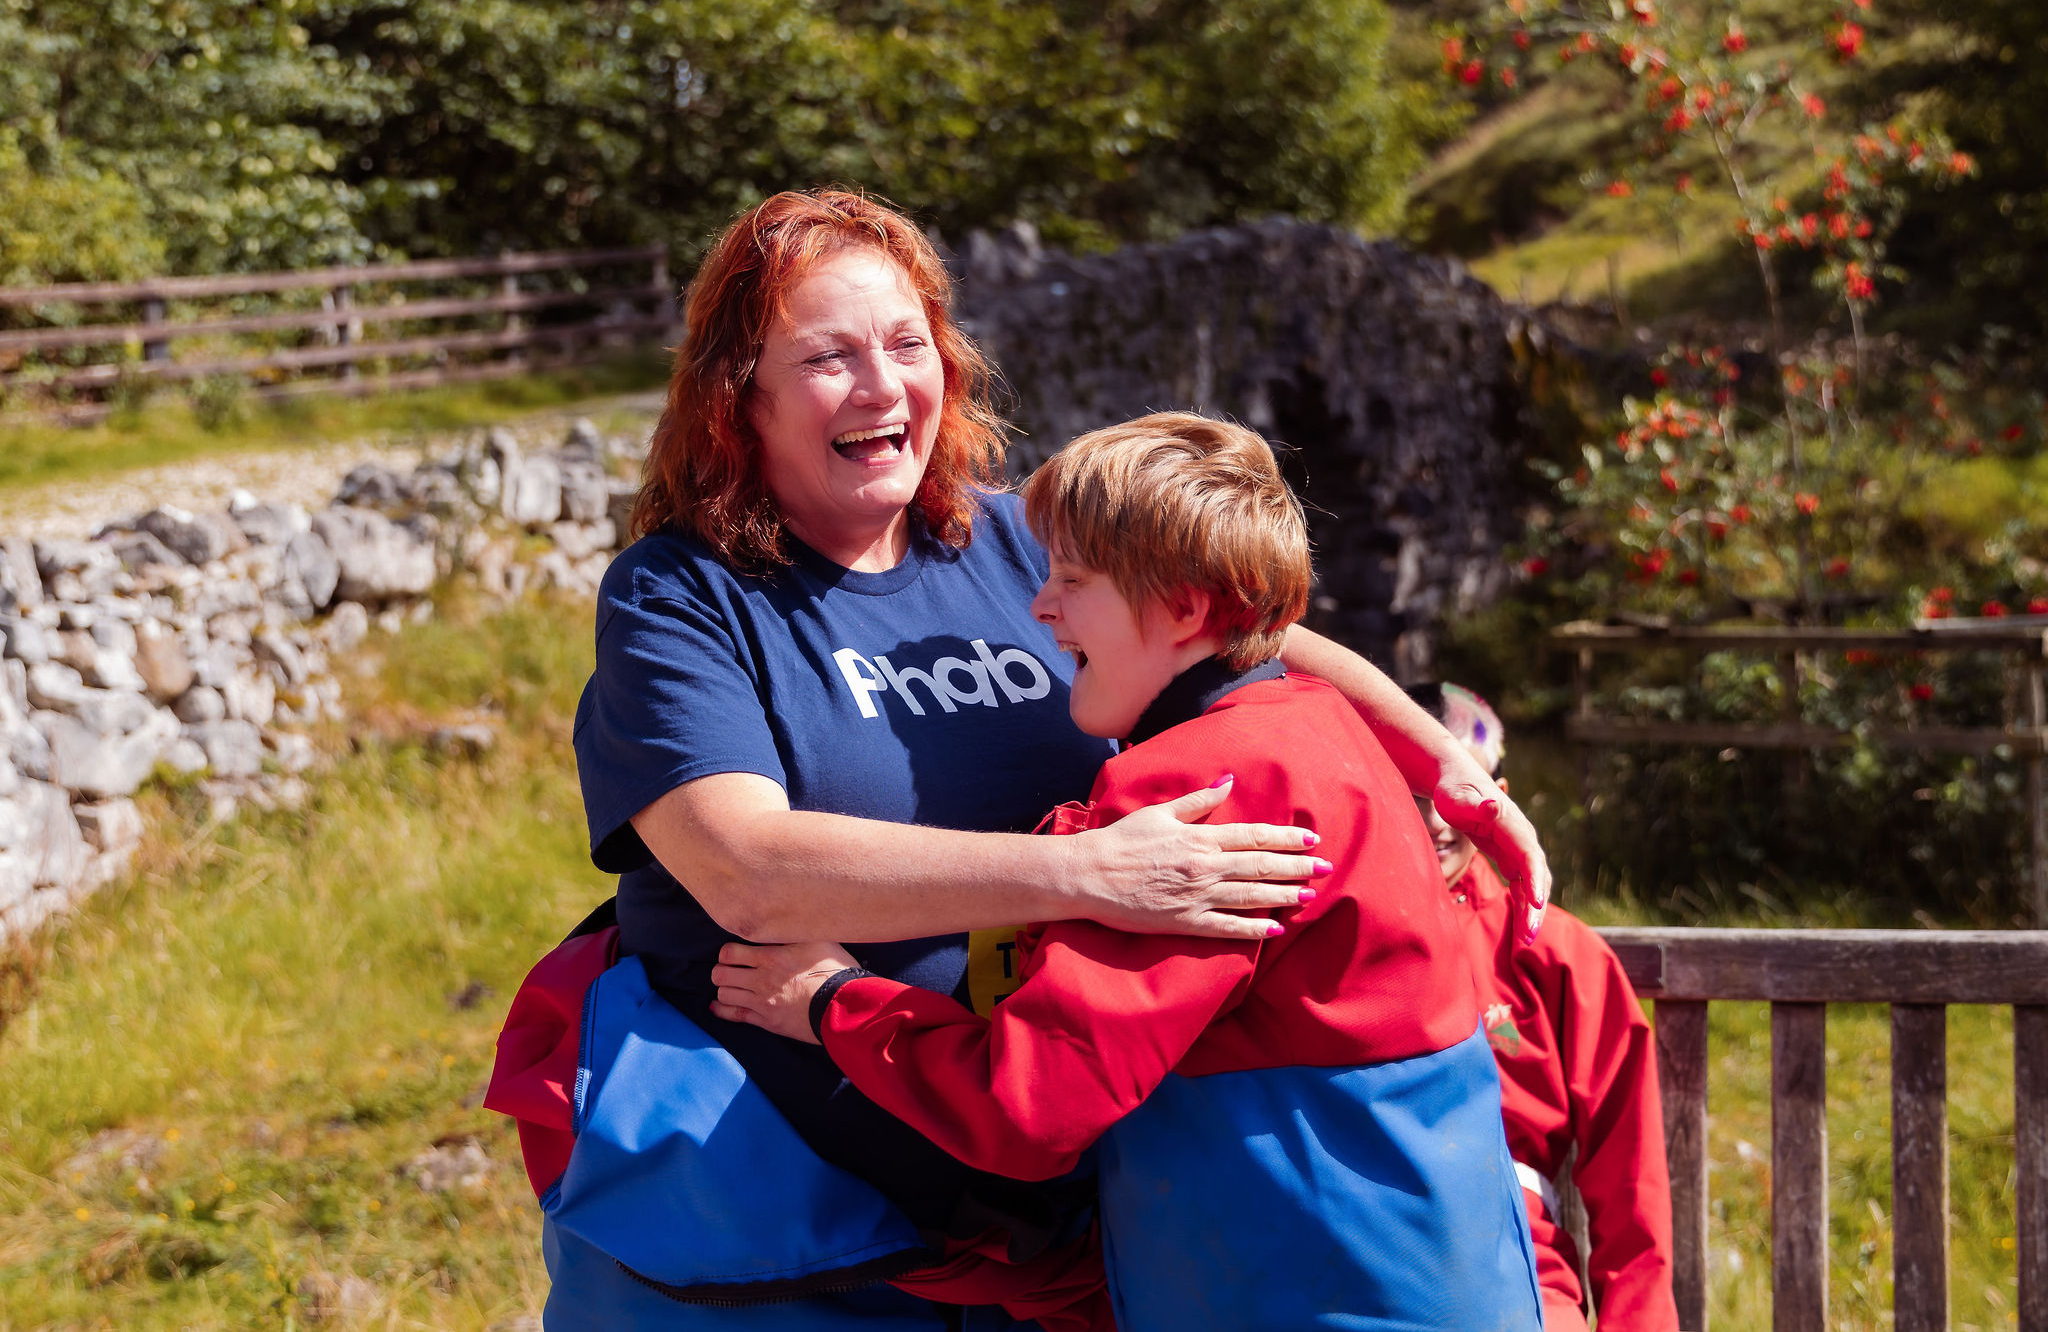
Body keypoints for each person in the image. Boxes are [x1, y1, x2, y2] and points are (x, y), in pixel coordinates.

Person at [486, 190, 1553, 1331]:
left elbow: (1238, 622)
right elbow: (744, 871)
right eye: (827, 357)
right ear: (734, 392)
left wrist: (1449, 769)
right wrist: (1083, 874)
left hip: (1049, 1222)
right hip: (773, 1233)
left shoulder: (1010, 537)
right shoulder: (681, 596)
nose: (882, 385)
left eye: (906, 344)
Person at [711, 414, 1545, 1332]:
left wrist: (835, 1001)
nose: (1041, 607)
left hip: (1306, 1296)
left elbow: (1027, 1105)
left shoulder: (1203, 788)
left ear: (1186, 609)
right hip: (1447, 1277)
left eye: (1072, 578)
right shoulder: (1321, 729)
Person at [1409, 683, 1679, 1332]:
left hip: (1518, 1275)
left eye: (1463, 788)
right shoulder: (1331, 942)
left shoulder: (1556, 952)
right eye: (1414, 785)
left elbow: (1630, 1187)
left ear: (1500, 796)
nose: (1438, 817)